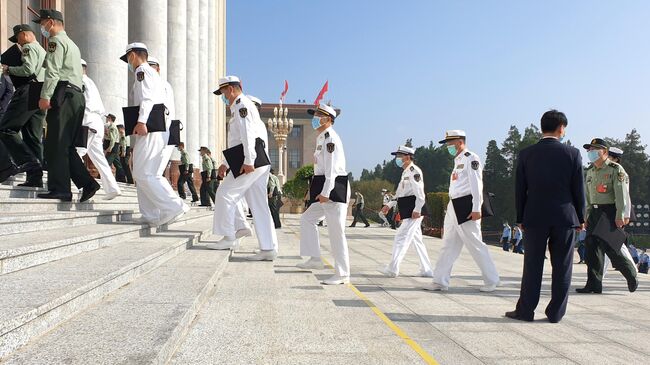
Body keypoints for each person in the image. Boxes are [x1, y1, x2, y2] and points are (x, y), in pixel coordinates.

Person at [505, 110, 585, 323]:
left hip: (535, 216)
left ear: (542, 128)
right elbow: (579, 189)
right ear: (561, 128)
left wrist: (520, 217)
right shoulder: (573, 153)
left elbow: (520, 189)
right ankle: (555, 313)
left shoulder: (526, 154)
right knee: (562, 267)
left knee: (532, 265)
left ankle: (526, 311)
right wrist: (581, 217)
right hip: (565, 217)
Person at [206, 76, 278, 261]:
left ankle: (230, 236)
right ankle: (268, 248)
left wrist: (249, 160)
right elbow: (239, 140)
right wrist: (226, 163)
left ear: (229, 89)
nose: (223, 97)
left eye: (222, 92)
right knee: (259, 205)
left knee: (224, 193)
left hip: (252, 161)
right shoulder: (243, 105)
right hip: (258, 161)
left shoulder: (241, 105)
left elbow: (247, 136)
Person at [120, 42, 188, 226]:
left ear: (133, 55)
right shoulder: (150, 75)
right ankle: (150, 214)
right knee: (144, 172)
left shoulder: (142, 71)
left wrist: (142, 121)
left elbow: (147, 98)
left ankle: (173, 206)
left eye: (127, 57)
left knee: (144, 172)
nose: (128, 62)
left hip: (150, 127)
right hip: (155, 127)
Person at [34, 9, 99, 202]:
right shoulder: (72, 44)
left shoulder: (55, 42)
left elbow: (52, 72)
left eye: (43, 23)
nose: (42, 27)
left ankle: (60, 189)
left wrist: (45, 96)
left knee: (55, 143)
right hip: (76, 96)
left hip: (63, 94)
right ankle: (87, 184)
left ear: (52, 22)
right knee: (68, 146)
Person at [426, 130, 500, 292]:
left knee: (475, 244)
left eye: (450, 143)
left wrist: (476, 208)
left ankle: (491, 280)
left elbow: (477, 184)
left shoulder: (470, 158)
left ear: (460, 142)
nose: (448, 147)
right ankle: (440, 281)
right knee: (448, 244)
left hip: (467, 205)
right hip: (454, 205)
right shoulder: (458, 160)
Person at [296, 104, 351, 285]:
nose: (315, 118)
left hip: (334, 188)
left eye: (318, 115)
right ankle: (315, 258)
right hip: (323, 186)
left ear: (328, 119)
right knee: (307, 219)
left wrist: (326, 192)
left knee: (336, 232)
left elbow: (333, 170)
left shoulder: (330, 139)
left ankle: (342, 274)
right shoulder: (322, 138)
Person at [576, 138, 638, 294]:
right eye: (589, 150)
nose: (590, 153)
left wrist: (621, 215)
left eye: (593, 150)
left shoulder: (615, 169)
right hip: (595, 212)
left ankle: (631, 276)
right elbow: (589, 197)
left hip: (610, 212)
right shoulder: (590, 171)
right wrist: (586, 216)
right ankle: (594, 284)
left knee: (611, 248)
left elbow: (621, 194)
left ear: (604, 151)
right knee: (591, 248)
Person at [1, 24, 48, 187]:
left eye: (18, 39)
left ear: (25, 35)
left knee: (5, 128)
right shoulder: (42, 50)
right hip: (40, 92)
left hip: (28, 89)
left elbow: (27, 70)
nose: (19, 44)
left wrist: (8, 69)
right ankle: (35, 178)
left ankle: (29, 163)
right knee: (33, 137)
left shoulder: (28, 47)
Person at [379, 145, 433, 278]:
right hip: (408, 208)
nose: (397, 159)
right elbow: (399, 194)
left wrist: (417, 210)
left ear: (407, 157)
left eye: (399, 156)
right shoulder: (405, 172)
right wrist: (389, 205)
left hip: (413, 210)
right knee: (417, 240)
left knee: (401, 237)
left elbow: (420, 193)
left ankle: (393, 268)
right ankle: (426, 270)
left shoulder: (414, 171)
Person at [76, 59, 121, 200]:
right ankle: (112, 188)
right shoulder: (90, 82)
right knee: (99, 158)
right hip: (97, 122)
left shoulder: (81, 82)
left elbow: (83, 105)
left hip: (87, 120)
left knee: (76, 152)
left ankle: (80, 186)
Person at [147, 56, 175, 176]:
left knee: (150, 174)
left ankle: (170, 196)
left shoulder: (155, 83)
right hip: (165, 129)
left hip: (156, 129)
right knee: (153, 173)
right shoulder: (166, 85)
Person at [103, 114, 124, 178]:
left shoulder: (112, 127)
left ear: (110, 119)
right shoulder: (110, 126)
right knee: (118, 164)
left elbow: (113, 139)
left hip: (113, 147)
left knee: (107, 162)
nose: (106, 119)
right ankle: (121, 178)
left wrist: (110, 148)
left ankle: (103, 176)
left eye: (107, 118)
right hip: (113, 146)